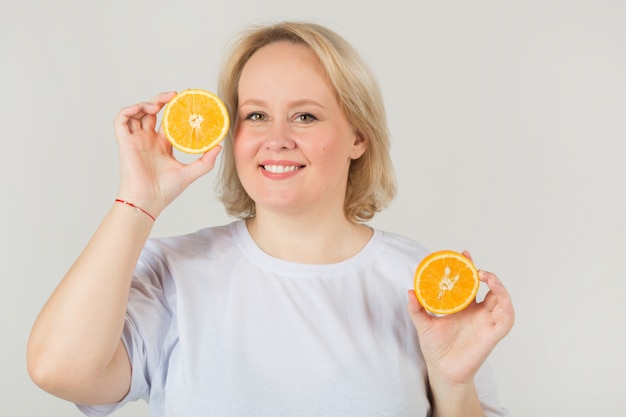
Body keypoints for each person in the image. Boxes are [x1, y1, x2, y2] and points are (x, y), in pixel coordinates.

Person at [27, 21, 514, 417]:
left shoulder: (426, 286)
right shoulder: (175, 272)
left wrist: (453, 387)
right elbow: (58, 368)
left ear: (358, 138)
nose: (275, 138)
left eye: (305, 116)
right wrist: (139, 199)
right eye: (256, 115)